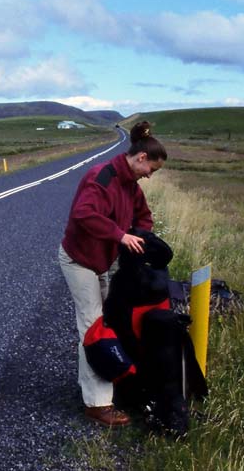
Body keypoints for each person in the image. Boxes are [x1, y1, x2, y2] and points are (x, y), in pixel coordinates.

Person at [58, 121, 167, 427]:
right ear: (141, 158)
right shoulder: (102, 177)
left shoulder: (131, 185)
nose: (150, 175)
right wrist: (120, 236)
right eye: (152, 169)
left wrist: (141, 237)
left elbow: (143, 216)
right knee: (94, 329)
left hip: (104, 262)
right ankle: (97, 404)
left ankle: (114, 377)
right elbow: (83, 213)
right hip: (79, 260)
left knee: (113, 321)